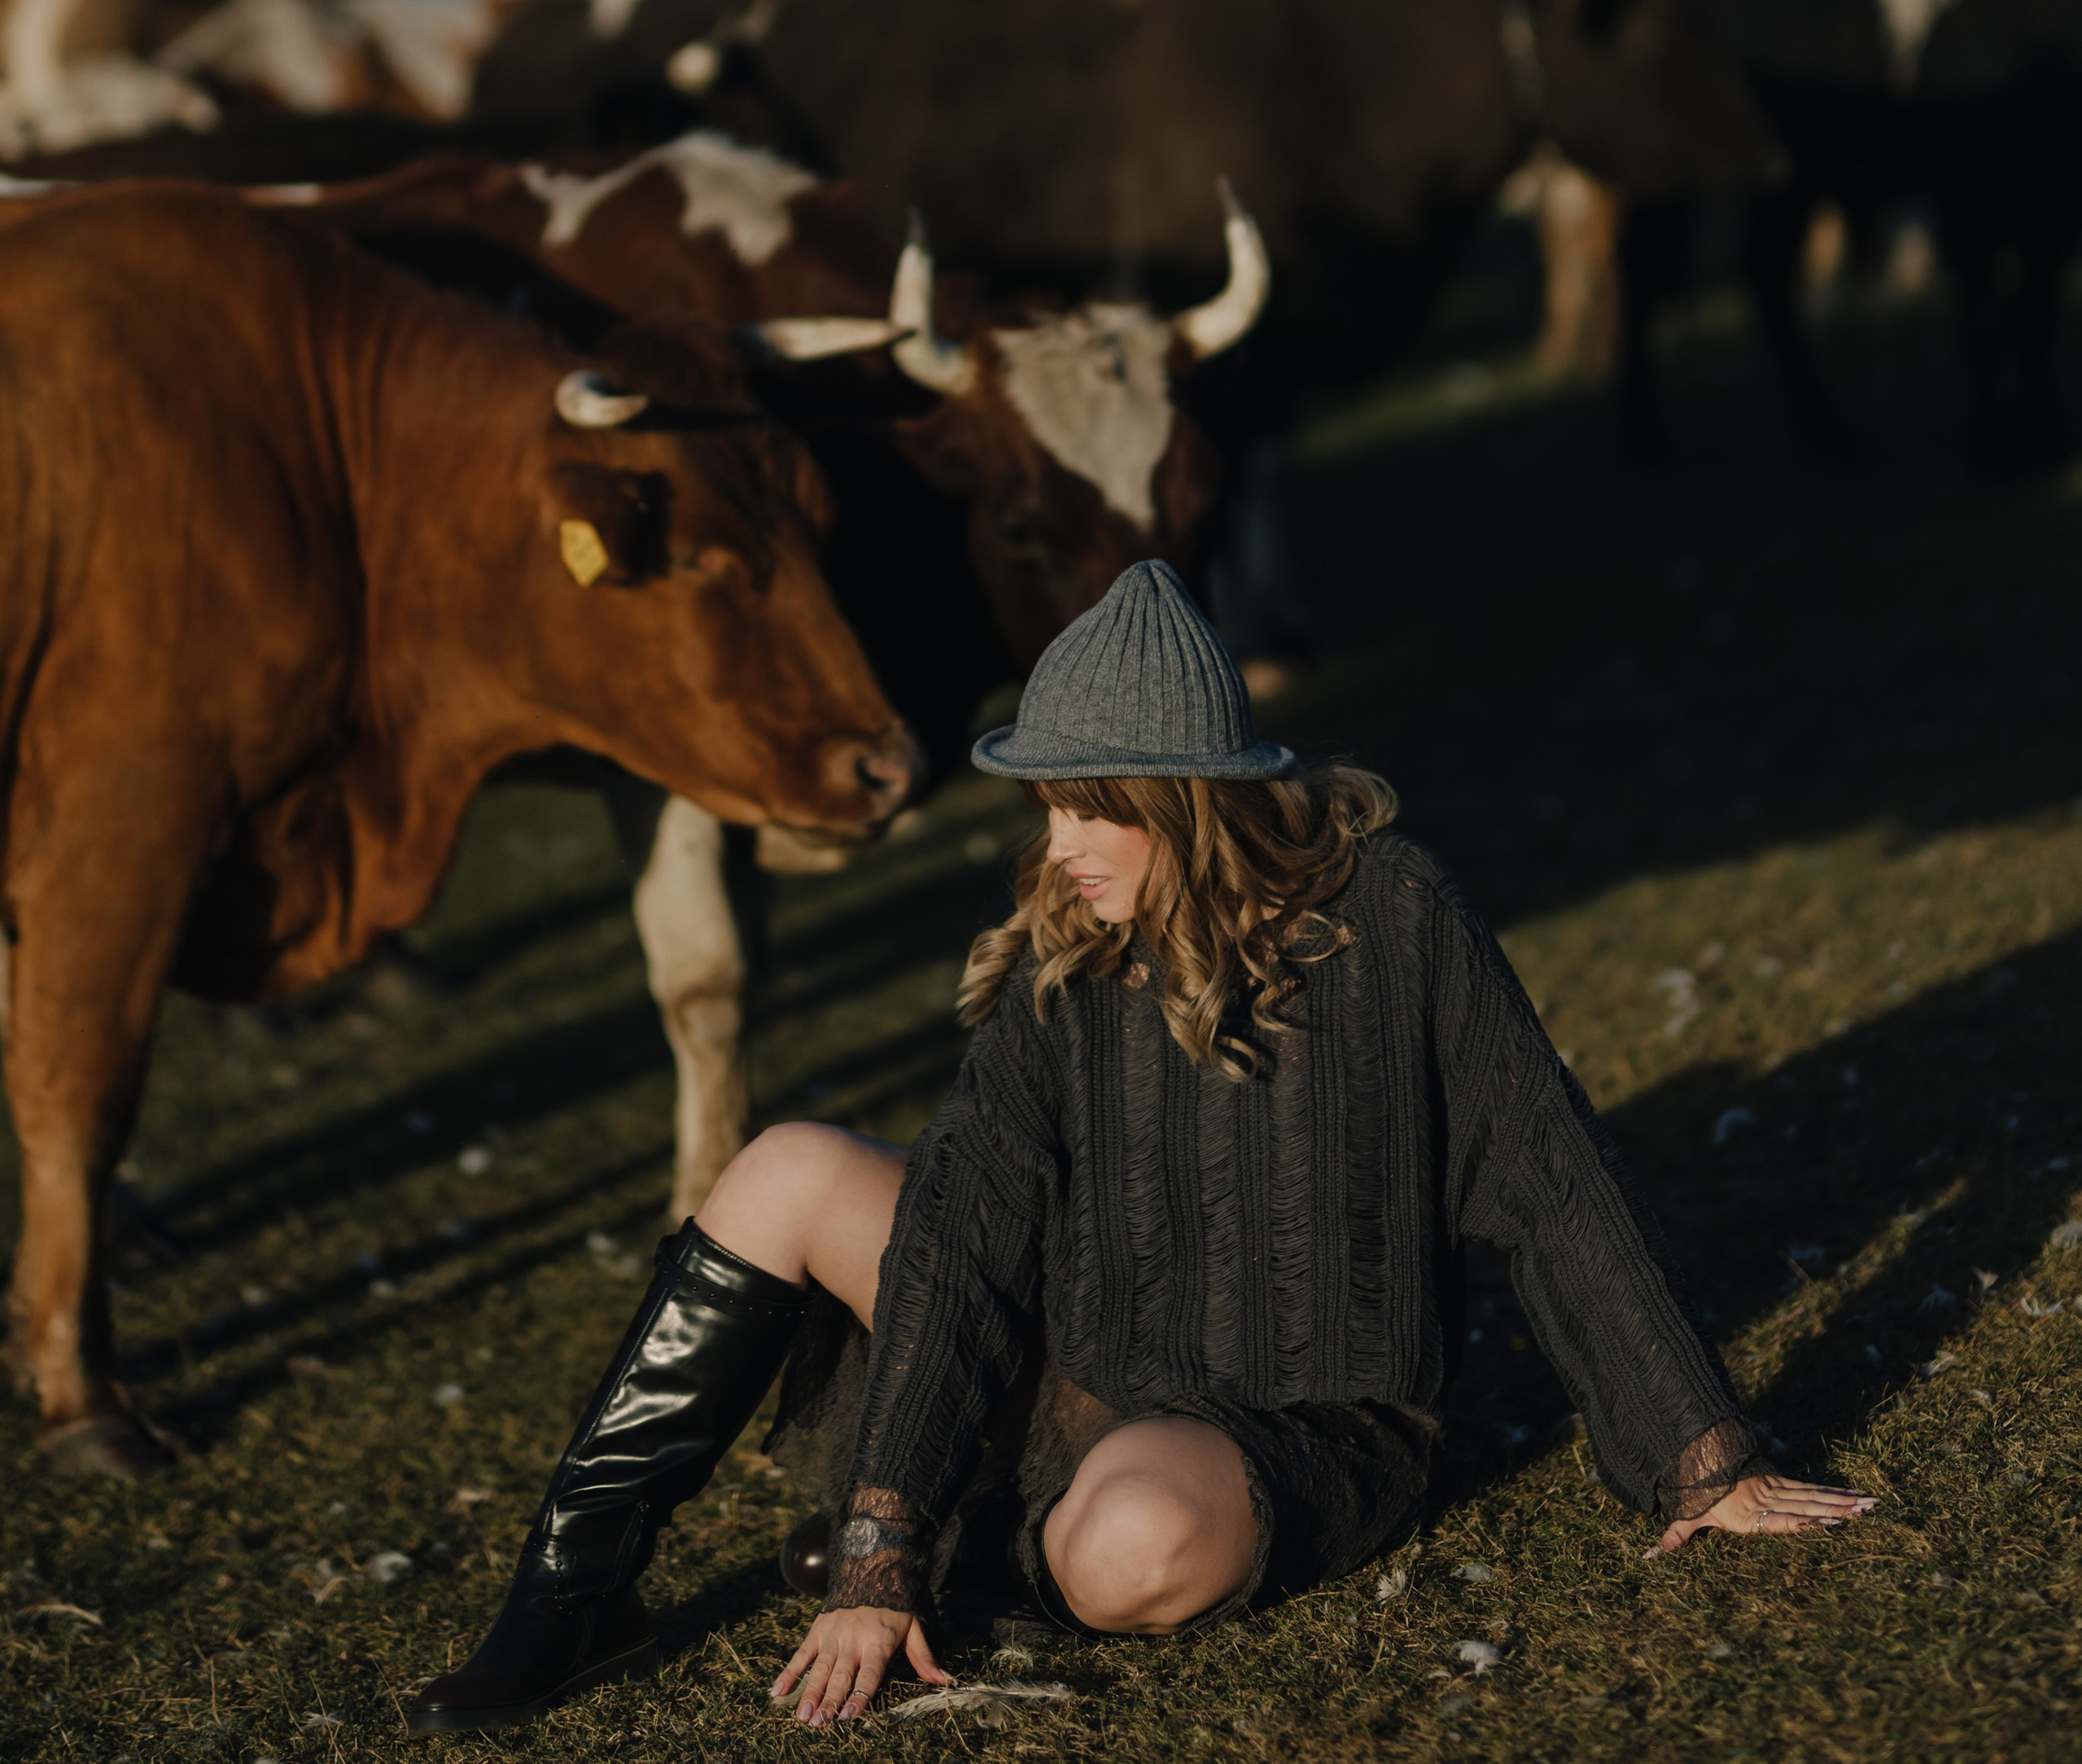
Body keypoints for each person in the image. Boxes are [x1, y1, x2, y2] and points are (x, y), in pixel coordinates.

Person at [405, 562, 1870, 1739]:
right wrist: (872, 1546)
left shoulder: (1398, 917)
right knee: (786, 1163)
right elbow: (964, 1235)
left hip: (1298, 1417)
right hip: (1083, 1360)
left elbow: (1549, 1176)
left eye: (1094, 805)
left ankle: (993, 1560)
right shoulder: (1066, 957)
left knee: (1130, 1553)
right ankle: (575, 1583)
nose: (1061, 845)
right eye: (1047, 800)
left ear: (1191, 797)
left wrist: (1704, 1457)